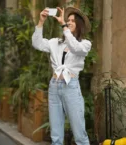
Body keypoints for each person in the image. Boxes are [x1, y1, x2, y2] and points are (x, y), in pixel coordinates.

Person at [32, 7, 92, 145]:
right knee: (56, 136)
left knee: (80, 135)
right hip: (54, 87)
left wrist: (63, 25)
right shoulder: (56, 42)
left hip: (70, 87)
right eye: (68, 20)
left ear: (79, 25)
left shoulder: (85, 44)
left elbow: (75, 47)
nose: (69, 22)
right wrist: (41, 22)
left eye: (72, 21)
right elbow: (37, 43)